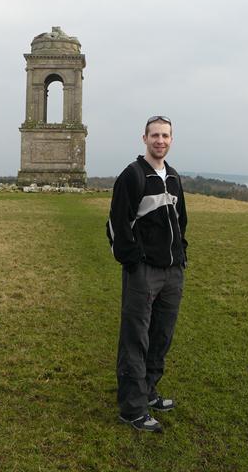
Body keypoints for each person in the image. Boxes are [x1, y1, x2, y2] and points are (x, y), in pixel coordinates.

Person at [106, 116, 188, 433]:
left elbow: (180, 222)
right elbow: (117, 224)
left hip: (172, 271)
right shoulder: (133, 175)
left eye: (165, 135)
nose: (160, 140)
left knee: (160, 337)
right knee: (135, 339)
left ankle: (149, 392)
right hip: (143, 272)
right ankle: (132, 409)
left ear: (171, 139)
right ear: (144, 138)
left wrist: (181, 254)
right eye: (155, 135)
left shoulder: (175, 177)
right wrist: (134, 261)